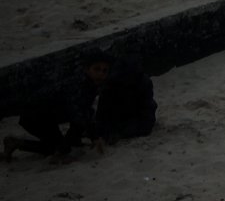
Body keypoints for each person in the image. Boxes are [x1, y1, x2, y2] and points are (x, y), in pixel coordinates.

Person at [3, 53, 155, 164]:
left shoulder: (91, 85)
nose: (101, 74)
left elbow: (85, 112)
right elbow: (78, 114)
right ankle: (55, 152)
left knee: (60, 142)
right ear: (87, 69)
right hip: (35, 116)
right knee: (61, 144)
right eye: (97, 69)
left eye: (104, 70)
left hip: (46, 114)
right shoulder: (79, 86)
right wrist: (95, 136)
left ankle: (18, 143)